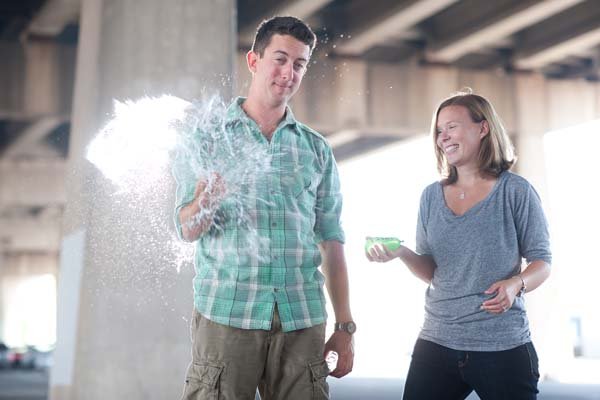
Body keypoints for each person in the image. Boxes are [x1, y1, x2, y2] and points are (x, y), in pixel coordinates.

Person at [173, 16, 354, 400]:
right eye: (280, 59)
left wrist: (345, 325)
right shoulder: (208, 138)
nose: (289, 72)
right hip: (227, 314)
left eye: (300, 63)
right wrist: (207, 199)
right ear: (254, 61)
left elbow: (332, 239)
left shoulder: (316, 149)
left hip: (301, 317)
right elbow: (187, 229)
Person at [366, 89, 551, 400]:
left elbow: (542, 262)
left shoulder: (516, 192)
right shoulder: (430, 197)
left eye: (451, 127)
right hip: (436, 342)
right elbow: (433, 271)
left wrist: (515, 284)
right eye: (439, 131)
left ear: (482, 128)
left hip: (501, 346)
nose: (443, 137)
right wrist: (401, 252)